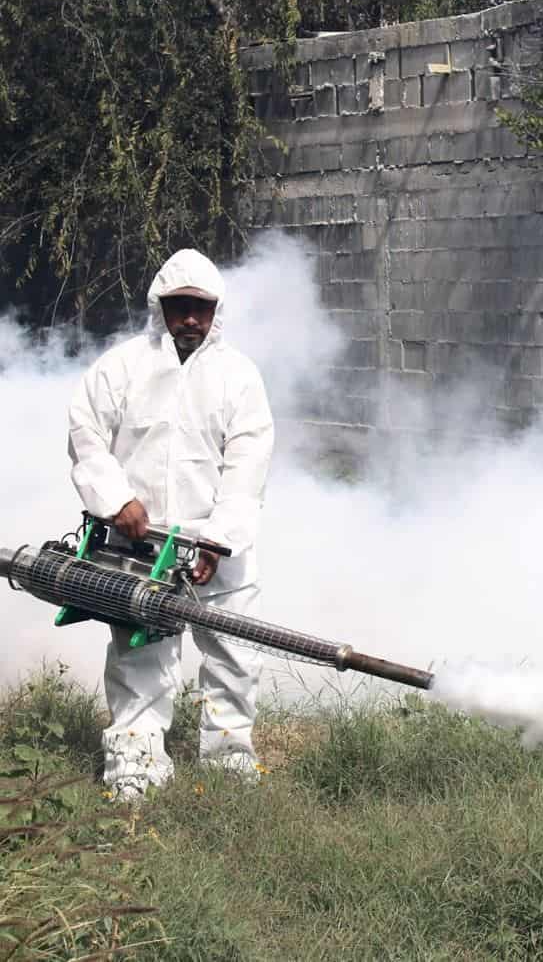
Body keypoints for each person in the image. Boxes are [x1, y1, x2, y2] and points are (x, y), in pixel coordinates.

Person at [67, 248, 275, 800]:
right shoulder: (122, 366)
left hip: (215, 546)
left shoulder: (238, 377)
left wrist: (218, 541)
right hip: (139, 540)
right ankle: (135, 764)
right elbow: (86, 435)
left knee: (233, 650)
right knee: (141, 651)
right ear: (159, 306)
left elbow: (247, 465)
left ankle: (229, 759)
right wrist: (116, 500)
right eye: (179, 305)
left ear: (216, 312)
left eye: (200, 308)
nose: (190, 318)